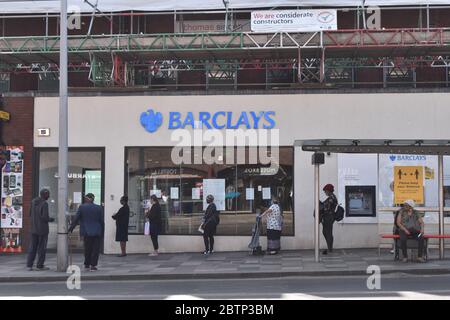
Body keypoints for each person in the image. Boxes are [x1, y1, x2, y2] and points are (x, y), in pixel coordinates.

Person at [68, 193, 104, 271]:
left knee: (87, 248)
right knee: (95, 249)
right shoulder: (99, 208)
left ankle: (87, 264)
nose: (84, 199)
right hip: (97, 231)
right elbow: (102, 221)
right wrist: (102, 232)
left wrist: (71, 228)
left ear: (88, 199)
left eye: (85, 198)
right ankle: (93, 265)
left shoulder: (82, 207)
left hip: (86, 231)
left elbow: (76, 219)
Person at [26, 189, 54, 271]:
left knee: (32, 247)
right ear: (44, 195)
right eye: (48, 194)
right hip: (42, 230)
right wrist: (51, 219)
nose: (49, 196)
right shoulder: (44, 204)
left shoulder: (33, 201)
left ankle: (29, 265)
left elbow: (30, 214)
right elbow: (44, 217)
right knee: (42, 248)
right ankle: (40, 265)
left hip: (33, 229)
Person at [321, 184, 337, 255]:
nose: (325, 192)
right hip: (328, 217)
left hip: (329, 217)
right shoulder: (331, 197)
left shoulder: (331, 198)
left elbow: (326, 208)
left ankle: (330, 249)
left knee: (328, 232)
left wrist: (321, 205)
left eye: (325, 191)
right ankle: (329, 248)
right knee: (326, 232)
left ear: (329, 191)